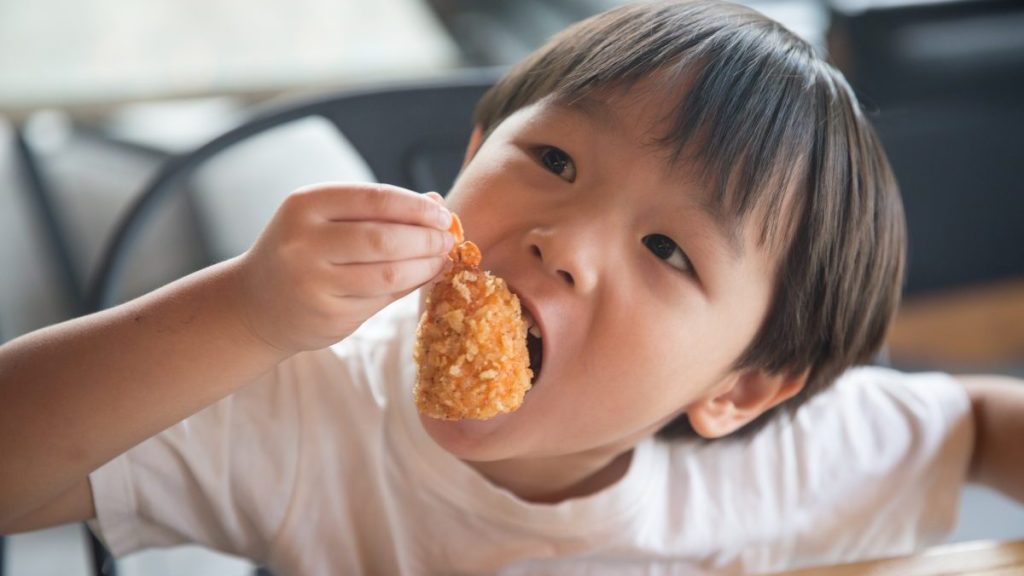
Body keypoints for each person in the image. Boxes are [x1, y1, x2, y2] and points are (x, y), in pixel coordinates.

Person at [1, 1, 1022, 573]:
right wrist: (241, 313)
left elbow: (980, 427)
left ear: (742, 390)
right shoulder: (311, 411)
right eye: (557, 163)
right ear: (473, 155)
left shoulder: (785, 464)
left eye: (668, 250)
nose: (562, 240)